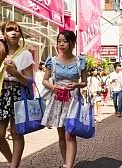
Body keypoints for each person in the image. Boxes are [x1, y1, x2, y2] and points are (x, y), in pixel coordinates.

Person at [0, 21, 34, 168]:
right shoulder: (0, 52)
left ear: (20, 35)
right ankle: (12, 160)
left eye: (16, 30)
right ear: (4, 34)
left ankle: (14, 166)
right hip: (0, 93)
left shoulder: (25, 54)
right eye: (10, 30)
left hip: (18, 92)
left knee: (16, 133)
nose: (14, 32)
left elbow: (29, 81)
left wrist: (14, 72)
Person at [41, 30, 87, 168]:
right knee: (61, 135)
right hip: (58, 99)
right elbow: (44, 80)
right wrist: (53, 87)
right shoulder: (53, 61)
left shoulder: (80, 62)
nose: (61, 44)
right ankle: (67, 163)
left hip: (73, 100)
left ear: (72, 43)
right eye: (59, 41)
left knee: (69, 134)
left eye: (65, 41)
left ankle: (69, 166)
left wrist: (77, 85)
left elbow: (85, 82)